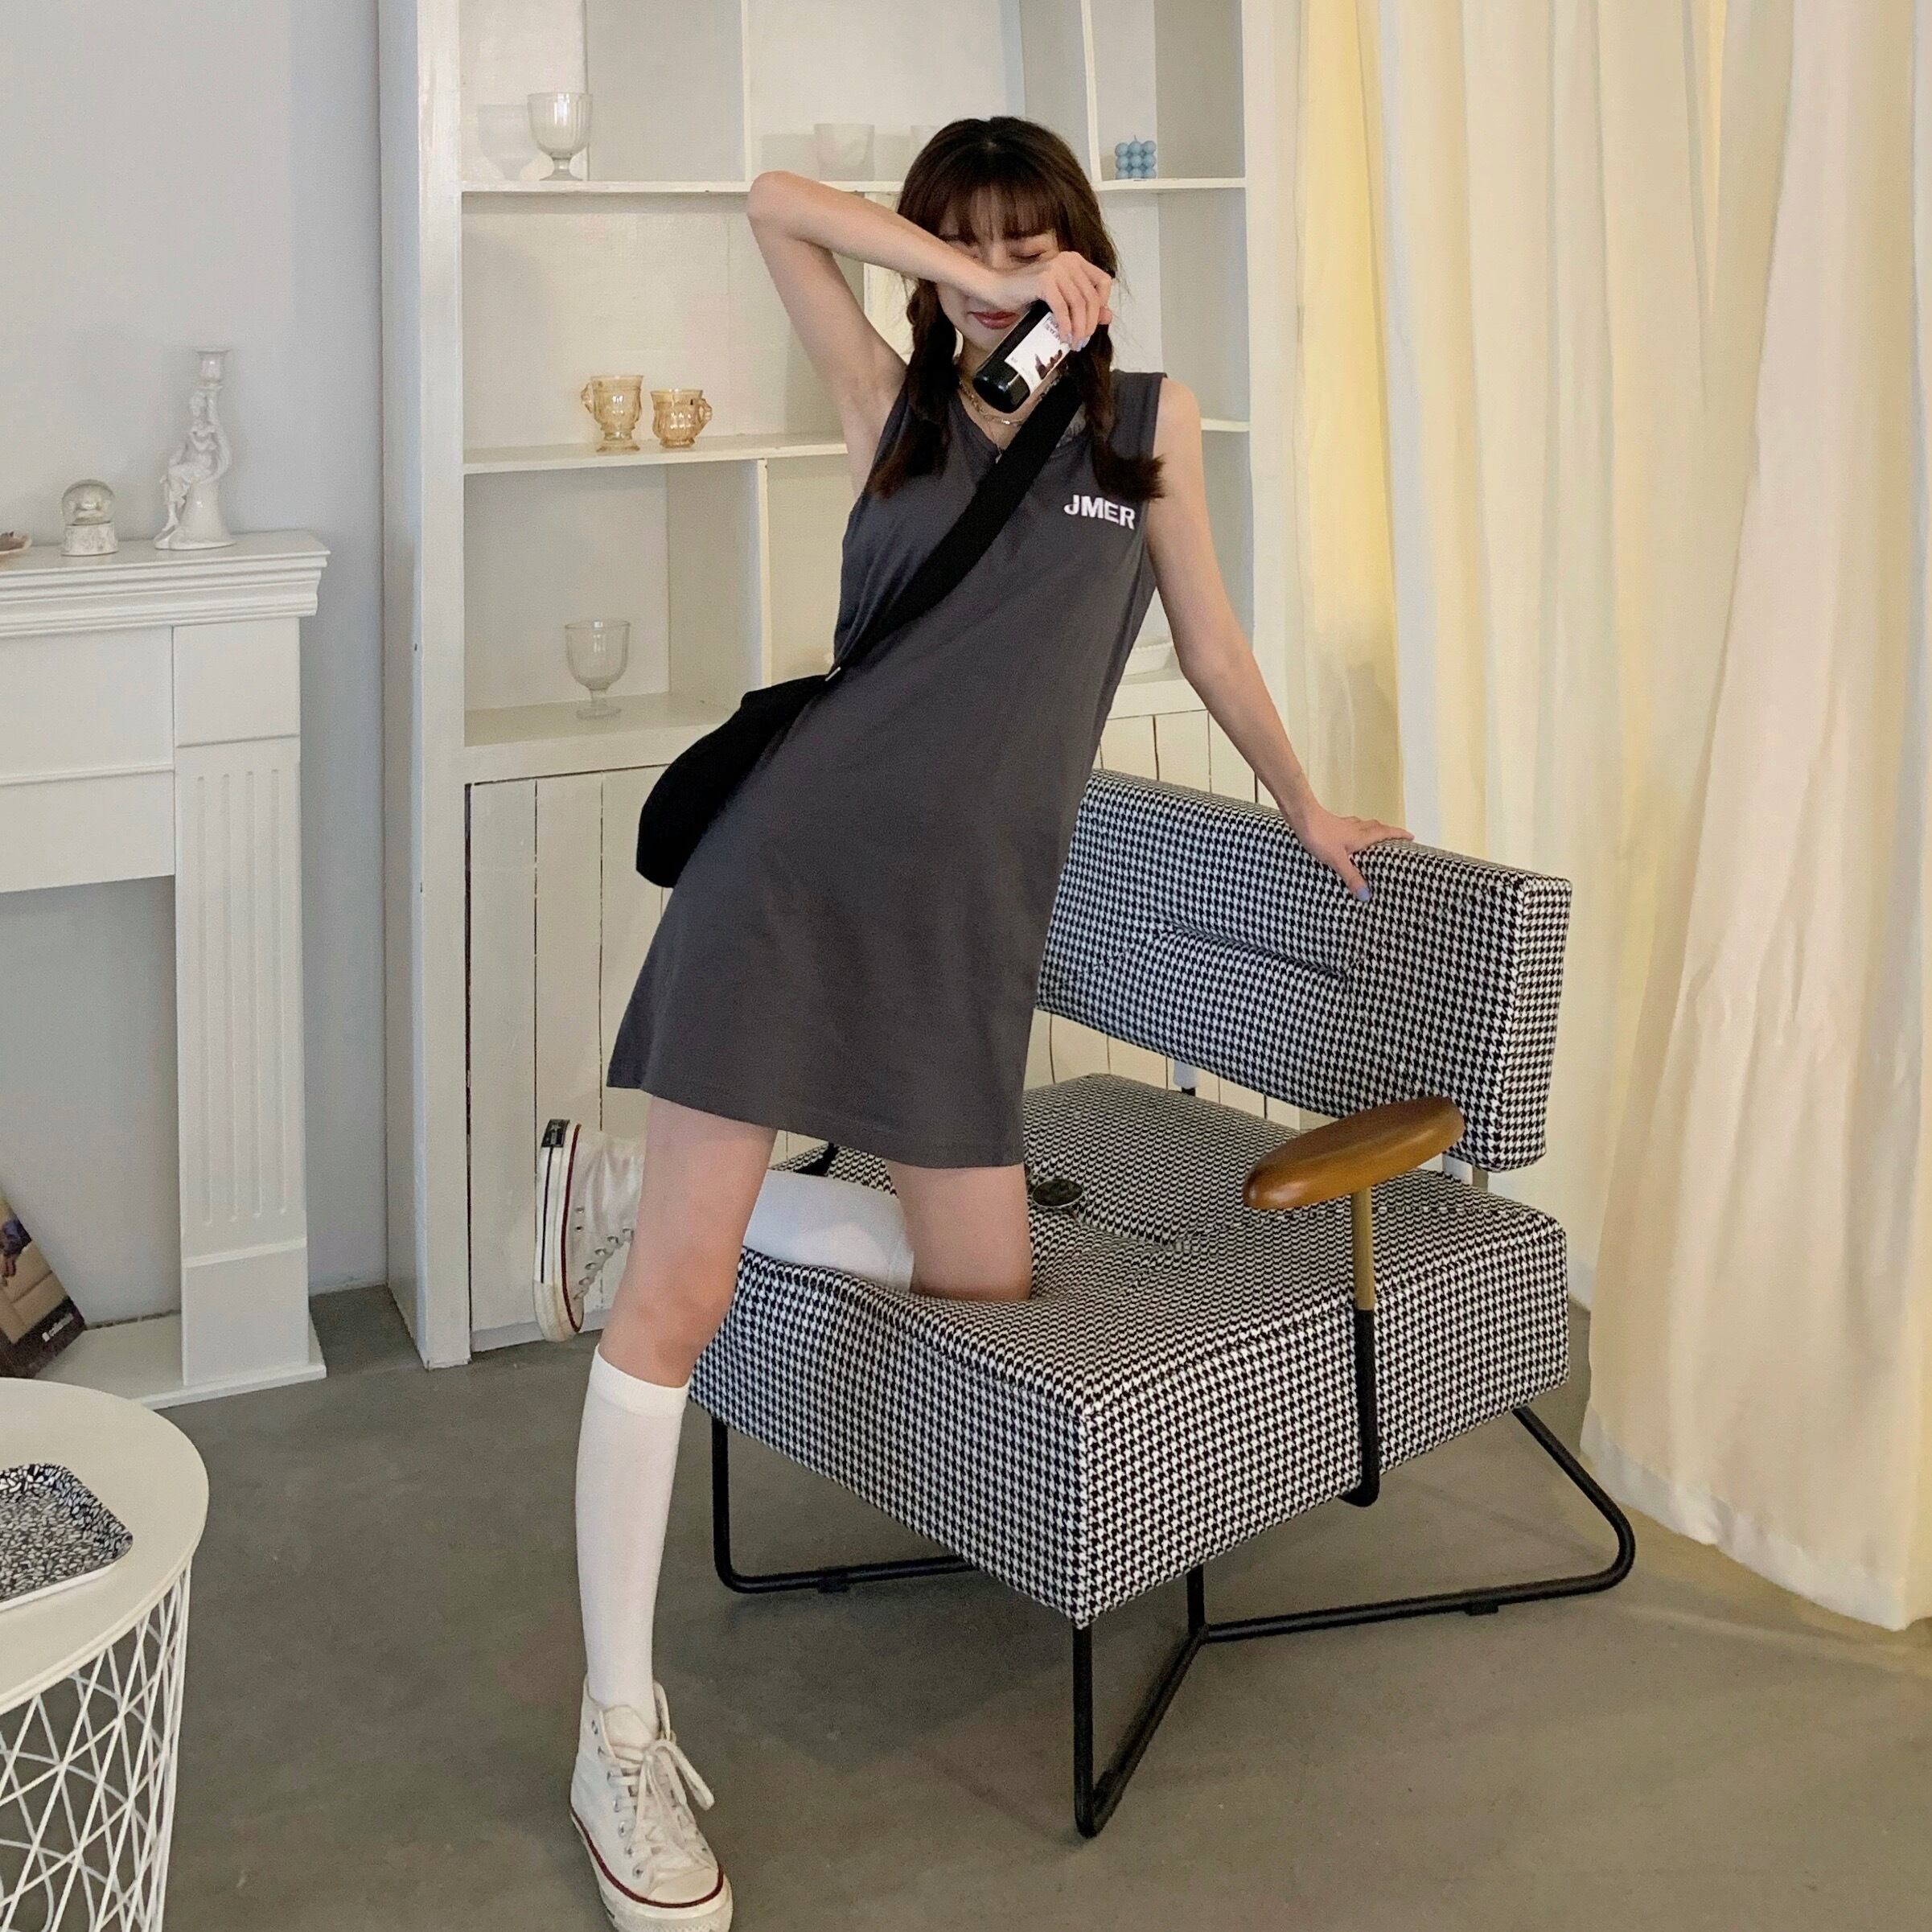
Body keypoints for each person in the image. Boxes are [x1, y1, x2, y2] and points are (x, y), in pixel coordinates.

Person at [538, 117, 1410, 1930]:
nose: (1005, 271)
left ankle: (628, 1196)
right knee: (671, 1311)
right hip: (789, 877)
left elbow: (1210, 645)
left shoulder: (1142, 424)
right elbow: (770, 203)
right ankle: (617, 1732)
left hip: (955, 934)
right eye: (969, 243)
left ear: (1088, 249)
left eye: (1034, 240)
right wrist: (957, 285)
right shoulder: (892, 403)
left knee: (982, 1286)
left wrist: (1303, 798)